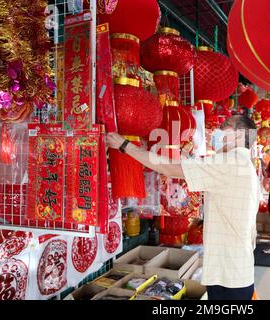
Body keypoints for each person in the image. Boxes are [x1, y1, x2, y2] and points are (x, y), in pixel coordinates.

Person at [106, 115, 261, 300]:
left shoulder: (230, 162)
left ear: (239, 135)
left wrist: (125, 145)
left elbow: (169, 168)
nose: (217, 130)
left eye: (225, 125)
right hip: (236, 268)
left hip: (228, 275)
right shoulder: (244, 165)